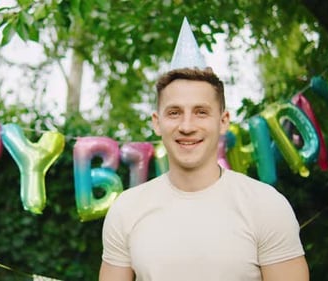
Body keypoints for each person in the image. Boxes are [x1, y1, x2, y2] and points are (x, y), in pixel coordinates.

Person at [99, 67, 309, 281]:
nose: (187, 126)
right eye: (174, 113)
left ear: (223, 121)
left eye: (201, 112)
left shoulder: (266, 205)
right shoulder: (126, 209)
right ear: (157, 122)